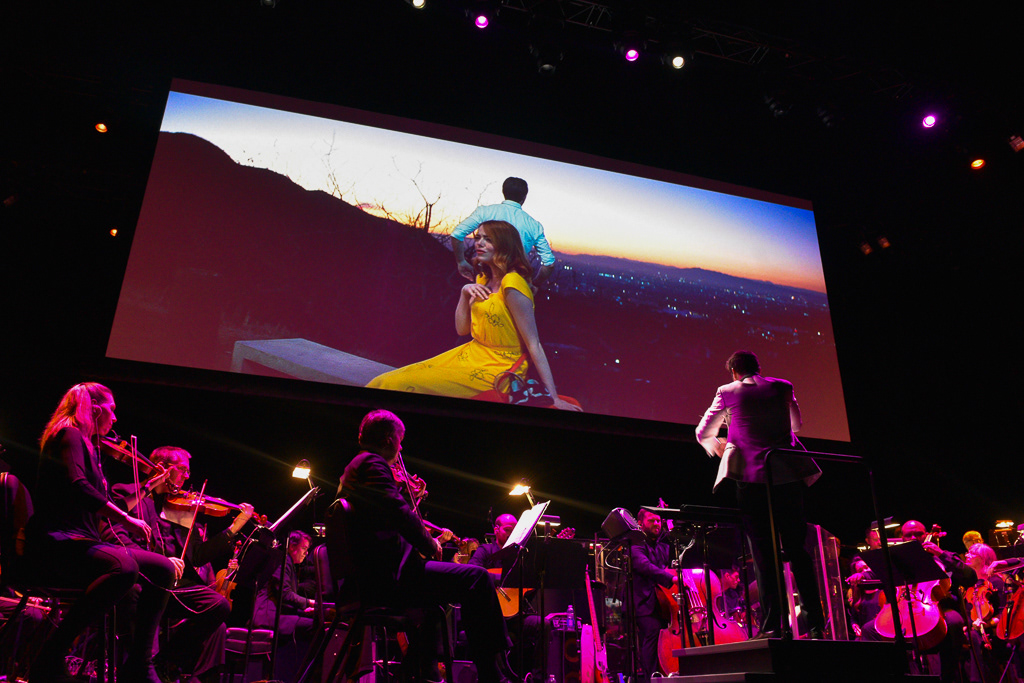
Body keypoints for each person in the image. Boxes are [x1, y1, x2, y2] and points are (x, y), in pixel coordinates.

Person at [336, 410, 509, 683]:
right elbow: (398, 513)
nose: (401, 447)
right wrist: (429, 543)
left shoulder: (358, 468)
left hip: (374, 577)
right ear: (391, 439)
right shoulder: (372, 464)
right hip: (386, 580)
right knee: (477, 578)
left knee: (436, 605)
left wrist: (407, 494)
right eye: (400, 440)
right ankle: (492, 673)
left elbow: (385, 513)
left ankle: (419, 673)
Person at [26, 382, 176, 683]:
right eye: (112, 410)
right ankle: (50, 655)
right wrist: (125, 518)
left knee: (163, 568)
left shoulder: (87, 444)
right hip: (59, 541)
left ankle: (139, 665)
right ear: (95, 408)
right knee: (124, 568)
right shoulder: (68, 434)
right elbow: (78, 487)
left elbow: (95, 495)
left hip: (81, 541)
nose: (116, 419)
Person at [368, 220, 580, 412]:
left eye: (488, 239)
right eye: (478, 237)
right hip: (471, 354)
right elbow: (462, 330)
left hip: (498, 367)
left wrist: (553, 398)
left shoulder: (513, 285)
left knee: (400, 386)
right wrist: (464, 293)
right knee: (387, 381)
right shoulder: (482, 279)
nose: (479, 243)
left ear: (504, 246)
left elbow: (534, 344)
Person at [695, 350, 825, 639]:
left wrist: (722, 447)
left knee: (764, 553)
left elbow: (703, 432)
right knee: (797, 550)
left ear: (733, 373)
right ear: (759, 368)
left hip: (752, 479)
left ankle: (773, 625)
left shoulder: (727, 392)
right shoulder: (783, 386)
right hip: (787, 476)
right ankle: (816, 622)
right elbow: (797, 426)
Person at [107, 445, 254, 683]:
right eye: (183, 470)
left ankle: (165, 663)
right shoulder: (128, 494)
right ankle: (141, 668)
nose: (187, 476)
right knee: (138, 597)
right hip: (142, 578)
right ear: (163, 469)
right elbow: (117, 539)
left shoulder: (179, 508)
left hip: (174, 584)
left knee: (218, 605)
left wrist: (234, 528)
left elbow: (196, 556)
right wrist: (161, 561)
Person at [450, 177, 555, 288]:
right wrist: (534, 284)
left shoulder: (485, 212)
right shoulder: (534, 225)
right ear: (524, 197)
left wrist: (461, 261)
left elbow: (457, 234)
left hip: (485, 279)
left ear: (504, 192)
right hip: (515, 282)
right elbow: (549, 263)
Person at [630, 508, 675, 683]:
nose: (657, 523)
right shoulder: (635, 543)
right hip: (643, 602)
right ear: (641, 523)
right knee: (653, 634)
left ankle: (668, 673)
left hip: (663, 602)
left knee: (666, 637)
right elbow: (644, 566)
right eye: (651, 520)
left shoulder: (662, 546)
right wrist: (670, 578)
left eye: (658, 520)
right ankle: (651, 678)